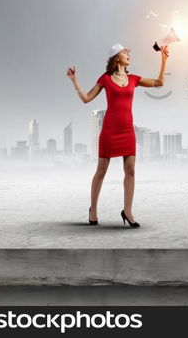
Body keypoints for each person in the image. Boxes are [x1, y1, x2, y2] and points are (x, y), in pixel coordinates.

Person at [66, 43, 169, 227]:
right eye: (124, 52)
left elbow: (159, 83)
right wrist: (75, 82)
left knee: (130, 170)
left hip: (128, 131)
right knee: (101, 170)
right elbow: (86, 99)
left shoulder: (133, 79)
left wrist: (164, 60)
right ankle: (93, 209)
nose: (128, 55)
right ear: (116, 58)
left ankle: (127, 211)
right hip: (109, 131)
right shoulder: (105, 79)